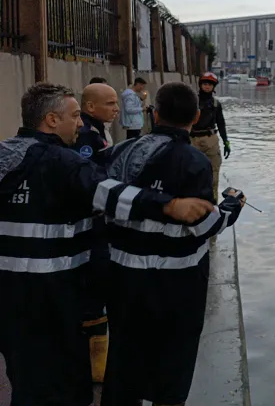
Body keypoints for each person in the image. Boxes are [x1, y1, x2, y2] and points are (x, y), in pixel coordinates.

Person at [0, 82, 214, 406]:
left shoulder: (5, 156)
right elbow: (110, 194)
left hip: (7, 296)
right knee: (64, 385)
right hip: (52, 296)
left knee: (24, 377)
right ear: (51, 120)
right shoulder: (63, 162)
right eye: (74, 116)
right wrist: (168, 206)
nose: (81, 124)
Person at [101, 82, 245, 406]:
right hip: (178, 284)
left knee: (124, 358)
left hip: (123, 279)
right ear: (195, 117)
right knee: (173, 365)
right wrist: (232, 207)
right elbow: (204, 224)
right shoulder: (194, 162)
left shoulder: (120, 153)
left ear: (153, 113)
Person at [71, 83, 121, 385]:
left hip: (97, 222)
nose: (116, 109)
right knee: (94, 287)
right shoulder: (87, 137)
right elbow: (91, 181)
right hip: (91, 224)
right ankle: (95, 362)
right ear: (91, 107)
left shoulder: (98, 131)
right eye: (110, 103)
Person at [191, 72, 230, 199]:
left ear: (214, 87)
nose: (207, 87)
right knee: (191, 174)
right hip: (193, 140)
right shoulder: (192, 102)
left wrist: (226, 142)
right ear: (200, 85)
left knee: (213, 176)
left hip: (211, 140)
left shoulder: (216, 104)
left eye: (210, 85)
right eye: (205, 84)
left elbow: (221, 123)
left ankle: (213, 206)